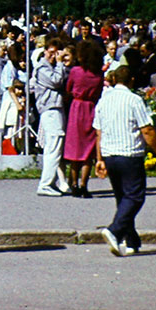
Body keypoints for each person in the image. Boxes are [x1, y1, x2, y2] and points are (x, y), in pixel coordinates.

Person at [94, 64, 156, 257]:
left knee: (122, 198)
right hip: (129, 153)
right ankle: (114, 230)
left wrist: (99, 159)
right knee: (134, 196)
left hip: (109, 154)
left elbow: (98, 133)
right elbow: (147, 130)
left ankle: (131, 240)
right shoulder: (134, 100)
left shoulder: (103, 101)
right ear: (131, 80)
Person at [64, 40, 105, 197]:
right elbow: (100, 92)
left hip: (77, 108)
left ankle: (73, 183)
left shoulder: (75, 71)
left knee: (75, 150)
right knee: (88, 151)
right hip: (91, 108)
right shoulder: (98, 74)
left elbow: (69, 88)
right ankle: (83, 185)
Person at [31, 37, 70, 196]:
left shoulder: (54, 67)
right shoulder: (42, 69)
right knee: (53, 146)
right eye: (51, 52)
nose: (54, 56)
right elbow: (56, 81)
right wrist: (60, 63)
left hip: (57, 108)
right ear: (45, 51)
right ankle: (45, 184)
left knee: (54, 147)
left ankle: (51, 181)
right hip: (49, 109)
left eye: (57, 53)